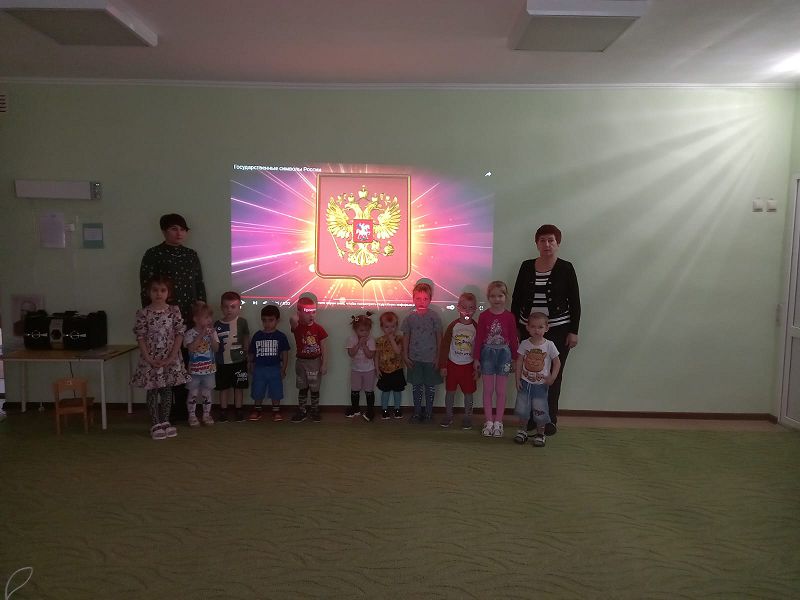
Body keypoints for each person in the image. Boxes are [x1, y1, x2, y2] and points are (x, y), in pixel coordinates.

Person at [511, 224, 580, 435]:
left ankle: (549, 420)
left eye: (551, 240)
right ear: (537, 244)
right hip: (528, 330)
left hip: (559, 330)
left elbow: (575, 301)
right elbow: (516, 298)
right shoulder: (526, 266)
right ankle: (532, 418)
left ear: (558, 243)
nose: (547, 244)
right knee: (529, 374)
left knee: (552, 376)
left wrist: (574, 331)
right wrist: (516, 328)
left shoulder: (566, 268)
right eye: (542, 240)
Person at [139, 213, 206, 424]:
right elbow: (146, 289)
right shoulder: (153, 254)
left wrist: (201, 313)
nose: (179, 233)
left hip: (188, 318)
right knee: (167, 364)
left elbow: (199, 284)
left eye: (183, 229)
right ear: (164, 231)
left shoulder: (191, 255)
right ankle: (167, 413)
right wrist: (152, 320)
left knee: (186, 362)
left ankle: (187, 409)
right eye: (174, 229)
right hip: (162, 323)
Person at [131, 275, 190, 440]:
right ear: (149, 292)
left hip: (170, 358)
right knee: (152, 390)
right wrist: (148, 358)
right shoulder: (143, 313)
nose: (159, 293)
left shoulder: (174, 311)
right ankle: (155, 423)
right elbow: (140, 337)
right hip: (150, 358)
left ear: (168, 292)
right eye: (155, 290)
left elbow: (179, 334)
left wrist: (171, 357)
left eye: (163, 290)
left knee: (166, 390)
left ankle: (165, 421)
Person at [473, 281, 519, 438]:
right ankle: (489, 421)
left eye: (500, 295)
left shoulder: (510, 317)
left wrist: (515, 358)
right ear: (488, 297)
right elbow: (479, 338)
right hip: (487, 354)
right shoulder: (484, 316)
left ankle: (498, 421)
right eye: (493, 296)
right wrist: (476, 358)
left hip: (504, 355)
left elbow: (513, 338)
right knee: (488, 390)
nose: (497, 299)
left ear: (506, 297)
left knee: (501, 390)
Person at [514, 312, 560, 447]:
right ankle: (522, 431)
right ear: (527, 328)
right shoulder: (524, 344)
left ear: (547, 328)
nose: (536, 330)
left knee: (540, 410)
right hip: (525, 383)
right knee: (523, 410)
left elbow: (557, 362)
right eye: (533, 327)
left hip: (540, 386)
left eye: (540, 327)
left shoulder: (549, 345)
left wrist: (552, 377)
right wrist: (517, 380)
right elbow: (519, 362)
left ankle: (540, 434)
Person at [401, 281, 443, 423]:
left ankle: (429, 412)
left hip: (431, 359)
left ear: (430, 300)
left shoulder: (434, 317)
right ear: (413, 299)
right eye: (418, 298)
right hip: (414, 359)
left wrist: (438, 357)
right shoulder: (409, 317)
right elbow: (406, 337)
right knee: (416, 387)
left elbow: (439, 338)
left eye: (425, 299)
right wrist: (405, 355)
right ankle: (417, 412)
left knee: (430, 387)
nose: (421, 302)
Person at [437, 292, 478, 429]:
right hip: (452, 365)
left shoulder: (476, 327)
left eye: (471, 308)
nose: (467, 311)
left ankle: (467, 417)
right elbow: (444, 346)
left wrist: (478, 368)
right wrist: (443, 365)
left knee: (468, 394)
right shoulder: (453, 326)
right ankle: (448, 415)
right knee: (450, 392)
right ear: (458, 307)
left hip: (468, 366)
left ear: (475, 309)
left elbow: (480, 348)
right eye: (464, 307)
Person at [248, 305, 290, 422]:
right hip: (259, 368)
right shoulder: (257, 335)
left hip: (275, 368)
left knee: (276, 390)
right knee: (257, 389)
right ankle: (257, 409)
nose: (267, 323)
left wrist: (283, 369)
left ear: (277, 320)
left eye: (271, 320)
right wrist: (250, 365)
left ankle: (276, 410)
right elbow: (252, 353)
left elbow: (285, 353)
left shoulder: (281, 336)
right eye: (264, 320)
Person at [289, 296, 328, 423]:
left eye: (314, 311)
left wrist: (324, 364)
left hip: (315, 362)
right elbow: (292, 320)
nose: (311, 315)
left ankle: (315, 410)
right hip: (301, 362)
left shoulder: (319, 328)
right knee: (302, 387)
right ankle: (302, 410)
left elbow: (324, 347)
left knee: (314, 388)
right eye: (307, 312)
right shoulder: (297, 327)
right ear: (299, 313)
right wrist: (299, 314)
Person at [214, 291, 250, 422]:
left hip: (239, 361)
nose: (229, 310)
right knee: (223, 388)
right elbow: (215, 343)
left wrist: (246, 350)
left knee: (239, 387)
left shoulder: (242, 322)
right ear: (221, 307)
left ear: (239, 307)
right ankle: (223, 410)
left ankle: (239, 409)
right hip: (222, 362)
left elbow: (246, 336)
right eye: (226, 306)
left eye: (233, 306)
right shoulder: (217, 324)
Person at [183, 301, 220, 427]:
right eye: (206, 317)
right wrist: (201, 335)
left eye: (210, 317)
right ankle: (192, 415)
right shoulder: (189, 333)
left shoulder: (212, 332)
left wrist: (211, 337)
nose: (209, 320)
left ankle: (206, 414)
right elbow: (191, 348)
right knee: (193, 393)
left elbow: (216, 349)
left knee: (206, 393)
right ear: (196, 319)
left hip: (209, 370)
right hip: (194, 370)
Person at [345, 313, 377, 421]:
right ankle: (355, 409)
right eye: (362, 330)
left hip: (369, 370)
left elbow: (370, 355)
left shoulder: (371, 340)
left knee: (369, 390)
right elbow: (351, 354)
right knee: (355, 390)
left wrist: (364, 346)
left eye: (367, 330)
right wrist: (359, 344)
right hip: (356, 370)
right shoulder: (351, 339)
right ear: (355, 330)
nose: (365, 333)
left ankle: (370, 411)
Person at [375, 311, 406, 420]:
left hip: (397, 370)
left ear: (396, 326)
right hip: (384, 370)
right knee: (385, 391)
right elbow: (377, 356)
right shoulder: (380, 340)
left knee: (397, 391)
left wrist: (392, 339)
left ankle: (397, 409)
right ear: (382, 327)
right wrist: (377, 369)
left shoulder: (399, 338)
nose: (390, 329)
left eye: (393, 326)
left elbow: (398, 351)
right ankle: (384, 409)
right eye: (387, 327)